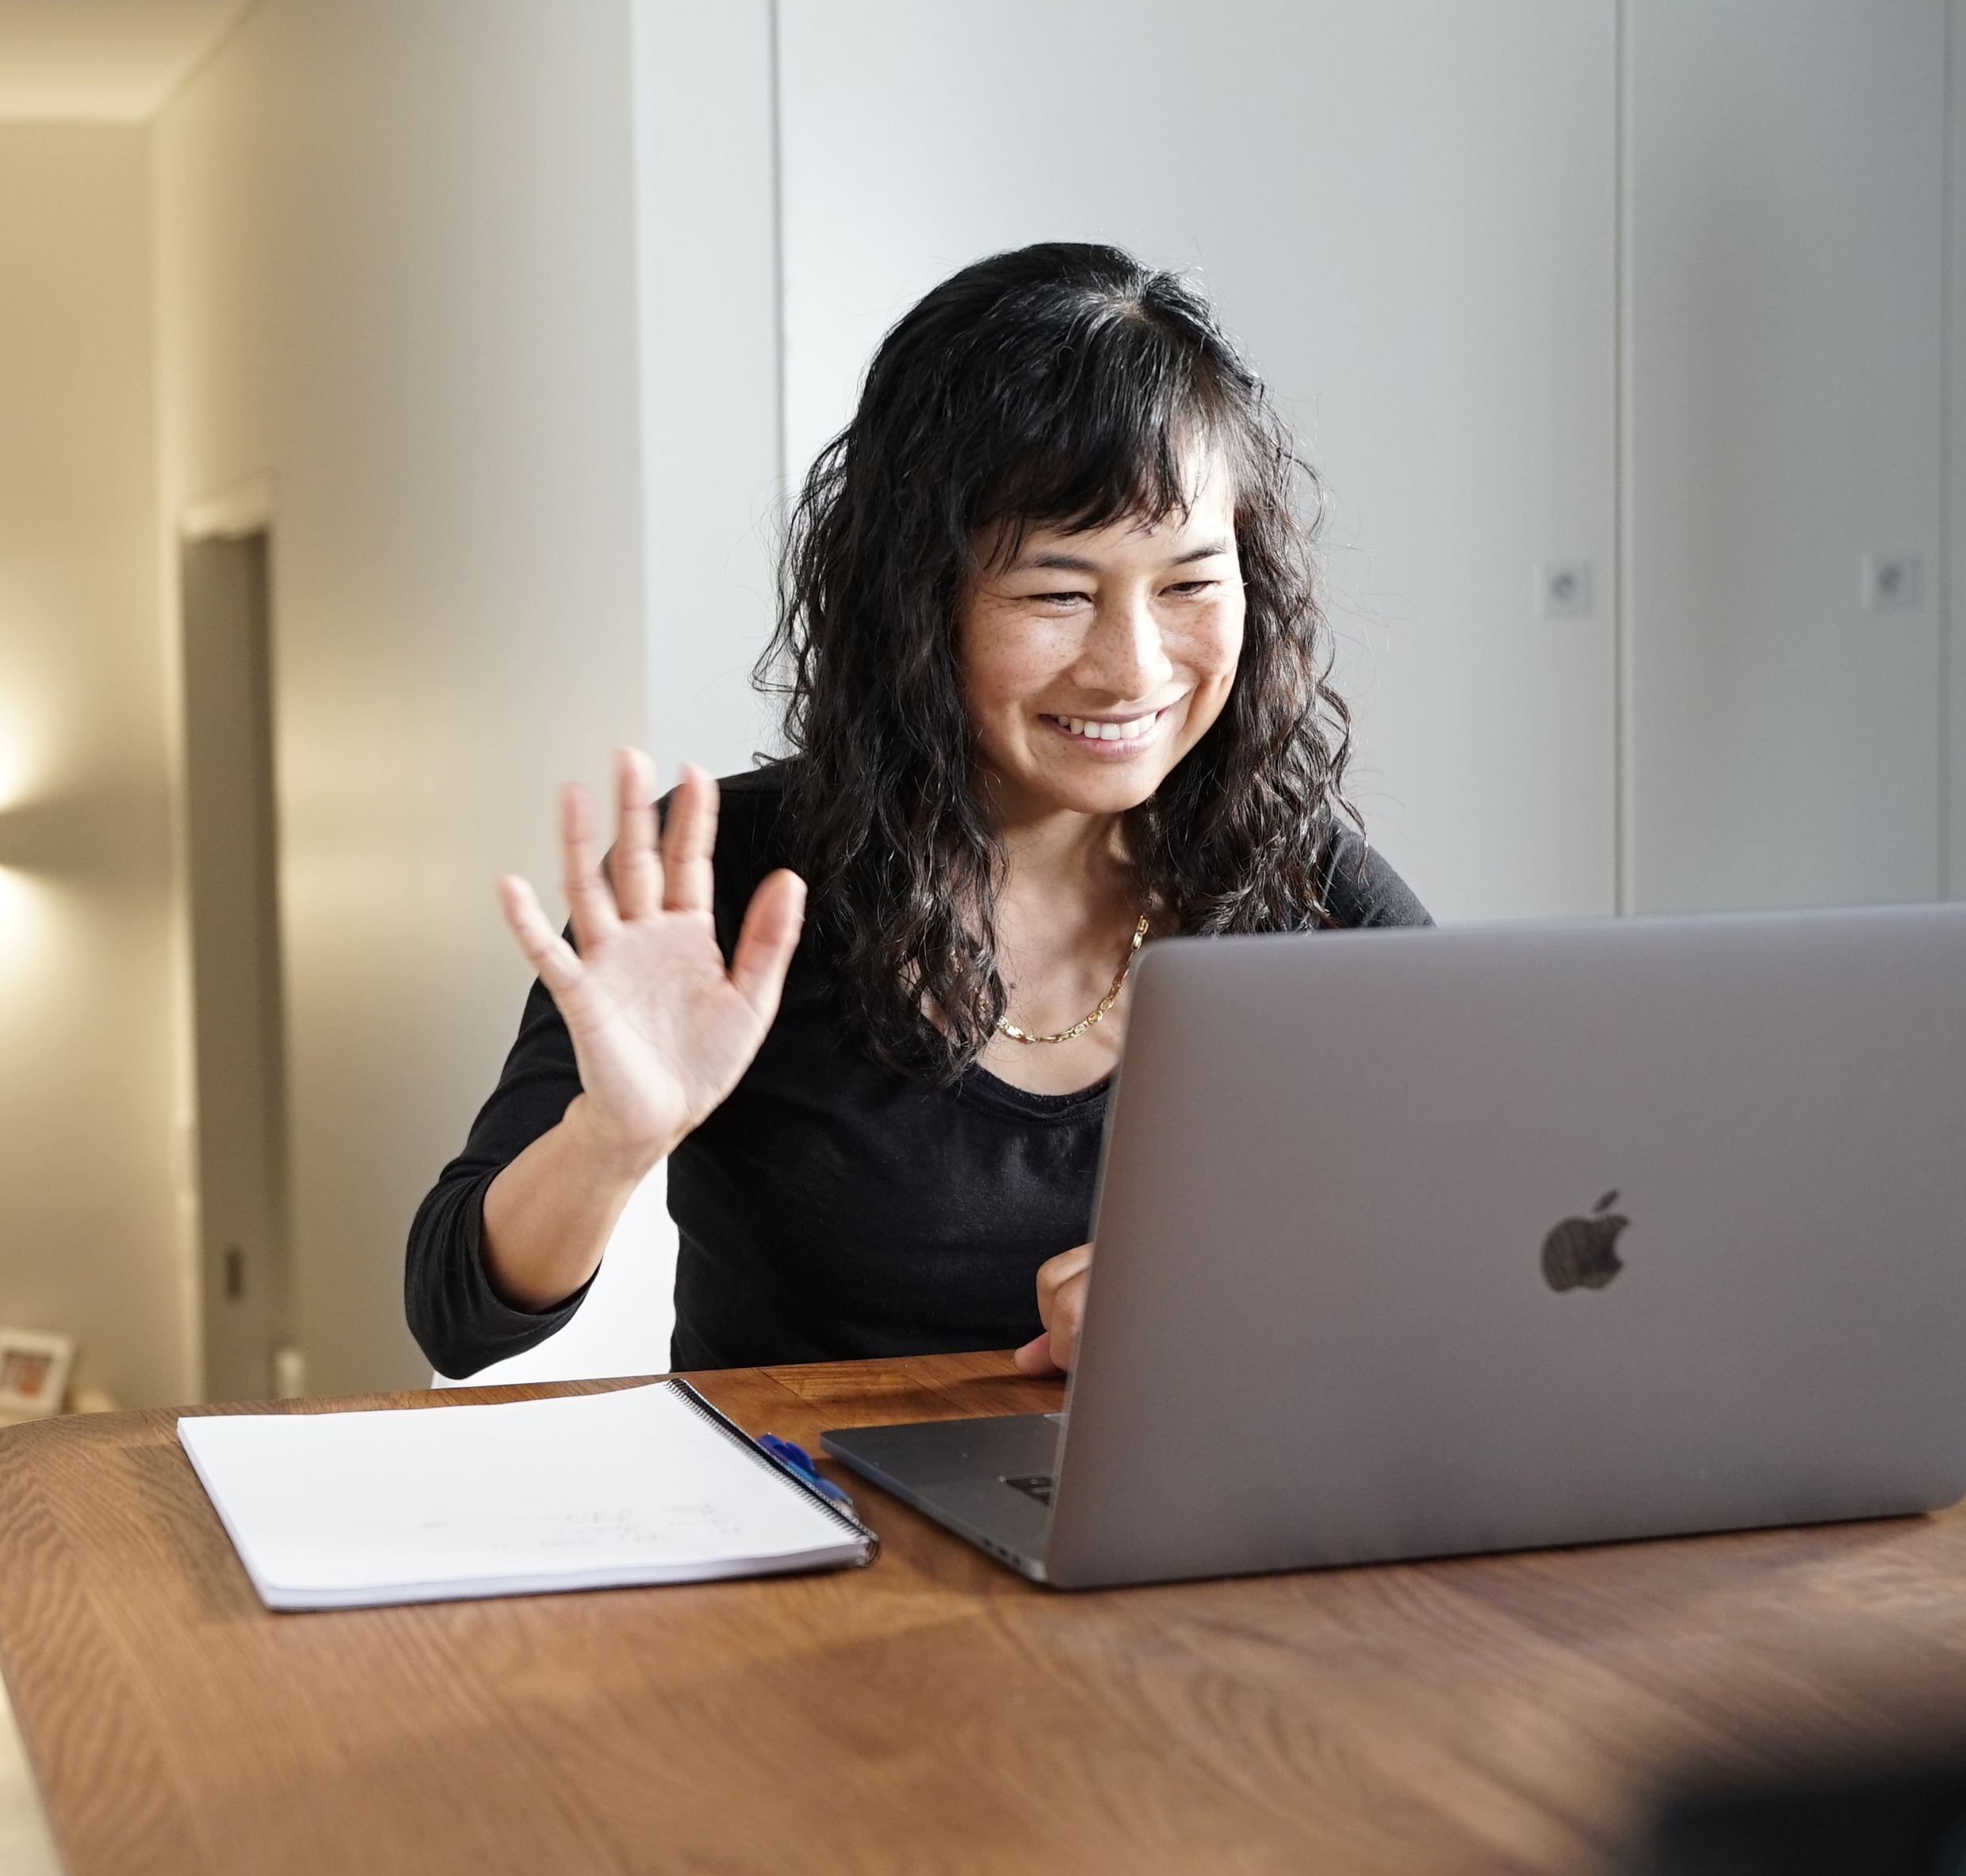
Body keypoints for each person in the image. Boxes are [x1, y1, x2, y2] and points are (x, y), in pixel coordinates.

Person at [404, 242, 1429, 1382]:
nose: (1132, 668)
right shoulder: (726, 884)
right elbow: (459, 1315)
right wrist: (610, 1141)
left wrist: (1260, 1297)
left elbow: (1494, 1256)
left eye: (1190, 583)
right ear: (913, 600)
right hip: (800, 1539)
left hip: (1175, 1549)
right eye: (1057, 593)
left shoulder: (1309, 898)